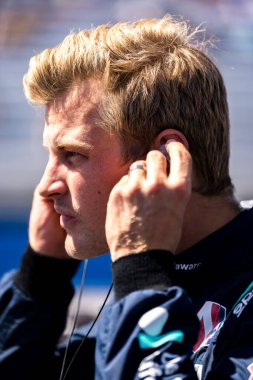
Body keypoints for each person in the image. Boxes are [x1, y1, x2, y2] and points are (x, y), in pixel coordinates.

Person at [0, 15, 253, 380]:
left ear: (162, 160)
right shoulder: (147, 279)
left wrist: (142, 276)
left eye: (72, 155)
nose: (46, 186)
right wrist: (41, 277)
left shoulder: (145, 278)